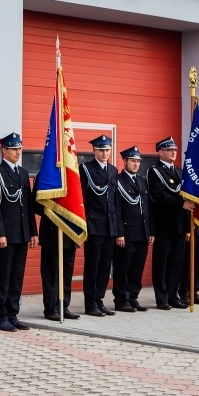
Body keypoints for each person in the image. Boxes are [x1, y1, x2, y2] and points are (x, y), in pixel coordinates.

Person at [0, 133, 38, 332]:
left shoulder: (23, 173)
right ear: (5, 151)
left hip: (22, 233)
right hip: (6, 235)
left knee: (17, 275)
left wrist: (33, 232)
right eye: (14, 149)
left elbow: (28, 205)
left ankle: (13, 313)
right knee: (4, 275)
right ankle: (1, 316)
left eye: (20, 149)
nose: (18, 152)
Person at [80, 135, 121, 317]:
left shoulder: (113, 170)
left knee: (105, 266)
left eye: (107, 150)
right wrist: (84, 226)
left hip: (110, 226)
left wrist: (118, 228)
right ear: (94, 151)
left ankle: (99, 300)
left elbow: (116, 202)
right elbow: (83, 200)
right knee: (93, 265)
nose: (105, 153)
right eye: (101, 150)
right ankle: (90, 303)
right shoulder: (86, 169)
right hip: (94, 226)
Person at [147, 137, 189, 310]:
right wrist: (181, 204)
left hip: (179, 226)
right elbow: (160, 196)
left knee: (177, 263)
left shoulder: (180, 172)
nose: (173, 152)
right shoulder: (154, 171)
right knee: (162, 264)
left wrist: (187, 227)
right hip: (164, 225)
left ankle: (173, 295)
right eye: (169, 149)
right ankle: (161, 297)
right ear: (160, 152)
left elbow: (187, 198)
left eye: (175, 150)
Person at [112, 146, 153, 312]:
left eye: (138, 161)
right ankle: (122, 299)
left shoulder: (142, 181)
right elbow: (116, 209)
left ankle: (133, 297)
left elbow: (148, 209)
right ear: (125, 161)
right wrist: (119, 232)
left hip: (142, 232)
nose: (136, 164)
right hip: (126, 234)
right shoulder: (118, 181)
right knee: (123, 267)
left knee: (137, 267)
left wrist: (151, 231)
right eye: (133, 161)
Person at [178, 226, 199, 306]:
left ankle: (193, 292)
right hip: (190, 229)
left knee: (198, 262)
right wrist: (188, 229)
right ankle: (184, 293)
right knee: (187, 263)